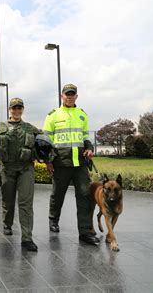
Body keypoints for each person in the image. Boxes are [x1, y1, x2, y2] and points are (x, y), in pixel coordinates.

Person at [43, 83, 99, 245]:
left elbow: (85, 137)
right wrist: (48, 161)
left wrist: (89, 149)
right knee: (57, 194)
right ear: (62, 96)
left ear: (76, 96)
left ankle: (85, 231)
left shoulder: (82, 115)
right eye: (66, 94)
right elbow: (46, 141)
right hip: (60, 163)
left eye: (72, 94)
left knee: (84, 196)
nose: (69, 96)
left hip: (80, 163)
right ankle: (53, 219)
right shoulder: (53, 115)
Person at [0, 98, 41, 252]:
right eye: (14, 108)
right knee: (8, 201)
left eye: (19, 108)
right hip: (7, 169)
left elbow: (43, 144)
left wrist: (44, 154)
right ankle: (7, 223)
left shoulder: (31, 129)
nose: (16, 111)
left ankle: (27, 238)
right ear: (9, 110)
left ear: (23, 109)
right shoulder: (0, 128)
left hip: (25, 169)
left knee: (26, 204)